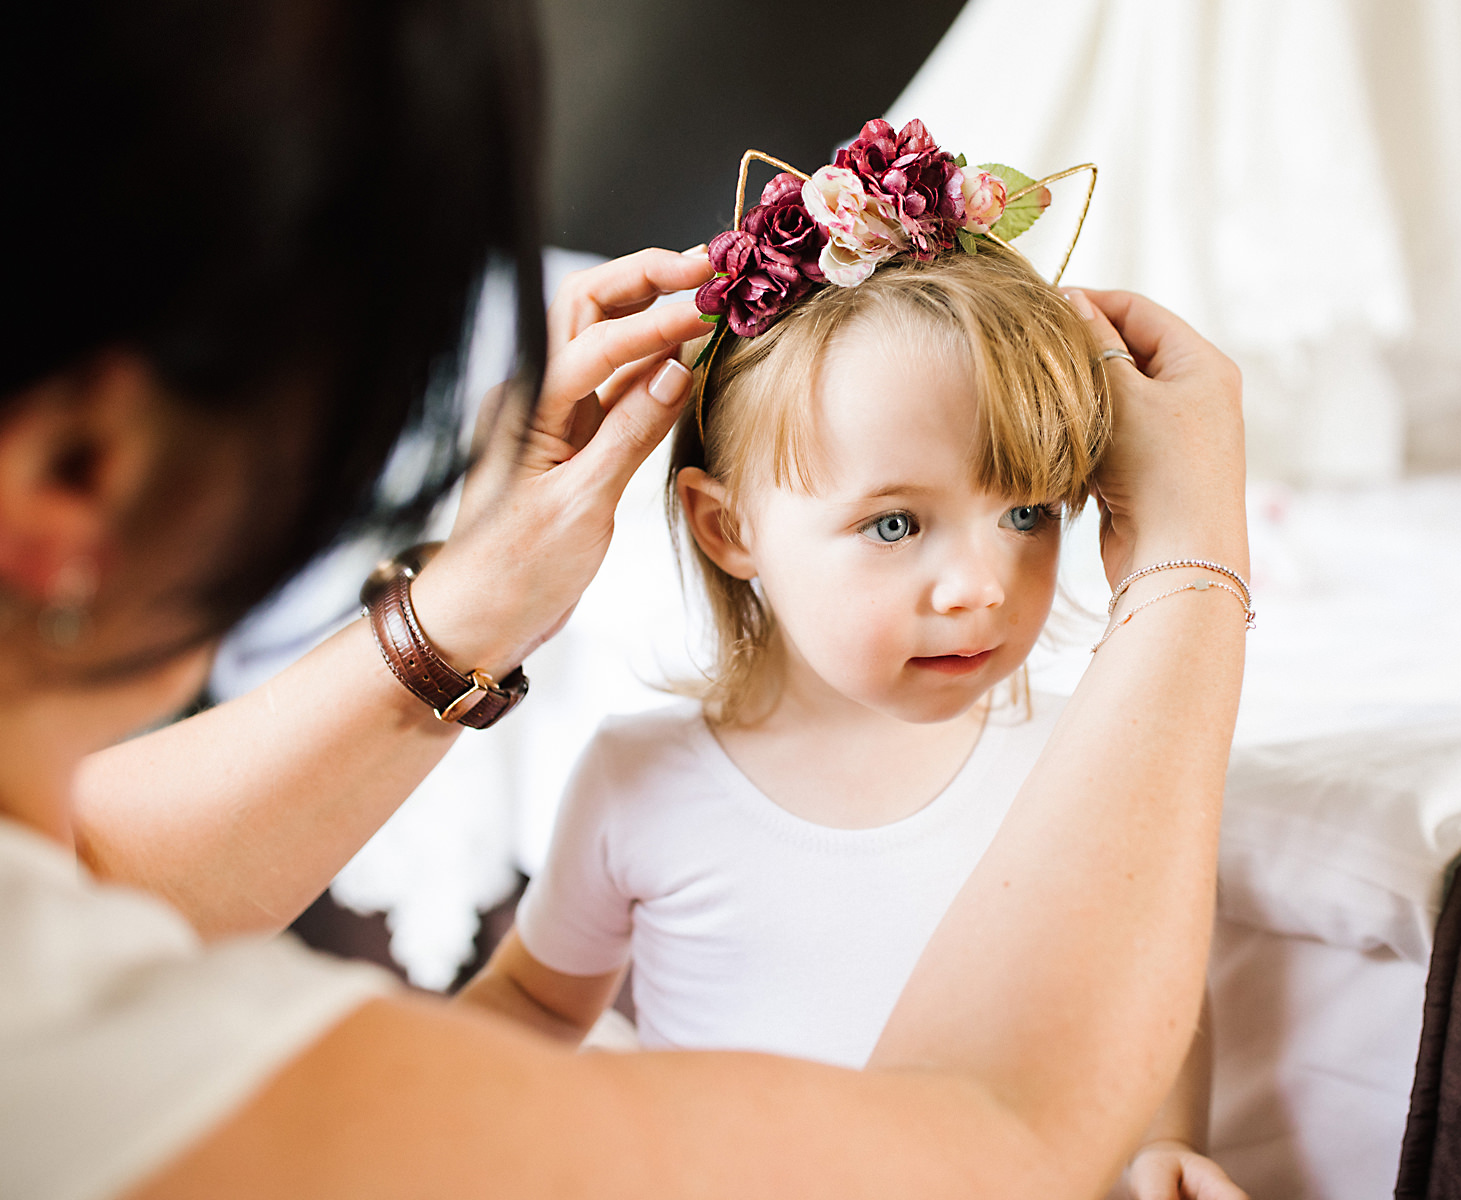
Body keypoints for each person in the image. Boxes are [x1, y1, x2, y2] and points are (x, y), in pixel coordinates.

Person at [1, 4, 1248, 1198]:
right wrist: (1193, 568)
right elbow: (996, 1142)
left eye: (1029, 509)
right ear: (76, 474)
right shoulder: (88, 1074)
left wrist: (458, 616)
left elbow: (86, 872)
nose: (978, 580)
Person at [459, 242, 1247, 1200]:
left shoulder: (1085, 767)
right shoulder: (640, 783)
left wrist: (1165, 1146)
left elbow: (1155, 1005)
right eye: (895, 525)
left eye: (1029, 513)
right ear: (730, 529)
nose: (978, 588)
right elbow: (532, 1004)